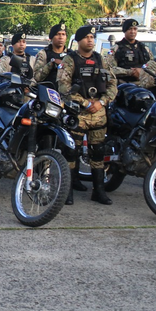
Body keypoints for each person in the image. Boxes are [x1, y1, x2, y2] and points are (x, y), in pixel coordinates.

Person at [57, 25, 117, 206]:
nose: (90, 40)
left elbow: (113, 83)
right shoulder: (70, 60)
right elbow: (63, 88)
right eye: (86, 37)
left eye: (92, 37)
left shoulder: (101, 60)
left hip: (99, 113)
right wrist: (85, 103)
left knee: (98, 152)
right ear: (78, 41)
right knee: (71, 152)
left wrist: (102, 102)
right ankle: (67, 190)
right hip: (78, 113)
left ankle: (98, 191)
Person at [107, 19, 153, 84]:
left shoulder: (144, 48)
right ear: (125, 30)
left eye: (135, 29)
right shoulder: (116, 48)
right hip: (124, 85)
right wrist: (130, 72)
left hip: (144, 85)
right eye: (130, 29)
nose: (133, 32)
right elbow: (109, 68)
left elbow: (152, 66)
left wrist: (141, 72)